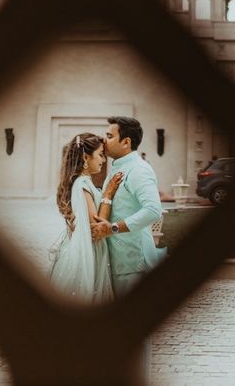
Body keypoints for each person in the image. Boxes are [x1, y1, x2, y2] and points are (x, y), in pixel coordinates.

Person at [48, 133, 124, 305]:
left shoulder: (82, 182)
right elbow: (95, 228)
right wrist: (108, 193)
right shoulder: (82, 185)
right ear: (85, 157)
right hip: (89, 252)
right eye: (100, 155)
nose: (103, 160)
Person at [93, 116, 166, 297]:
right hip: (117, 259)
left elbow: (153, 210)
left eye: (109, 136)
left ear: (126, 142)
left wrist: (113, 228)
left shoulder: (138, 169)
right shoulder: (117, 168)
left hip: (133, 262)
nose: (104, 140)